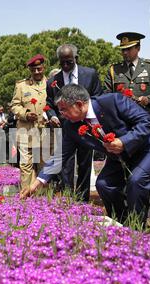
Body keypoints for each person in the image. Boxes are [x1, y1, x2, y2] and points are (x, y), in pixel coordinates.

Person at [21, 84, 150, 227]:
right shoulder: (71, 126)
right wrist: (39, 181)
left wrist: (123, 141)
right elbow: (61, 154)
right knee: (104, 184)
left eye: (64, 110)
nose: (61, 114)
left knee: (136, 181)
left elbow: (147, 123)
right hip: (122, 155)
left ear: (80, 105)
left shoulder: (113, 101)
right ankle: (121, 223)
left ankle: (137, 227)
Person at [46, 44, 103, 202]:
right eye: (62, 63)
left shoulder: (90, 74)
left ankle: (83, 199)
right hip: (66, 129)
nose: (65, 66)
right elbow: (49, 104)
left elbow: (98, 97)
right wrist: (52, 115)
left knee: (85, 164)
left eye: (69, 62)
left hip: (87, 128)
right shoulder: (53, 81)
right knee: (66, 165)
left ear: (76, 59)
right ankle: (68, 199)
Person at [11, 54, 49, 190]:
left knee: (44, 164)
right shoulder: (22, 86)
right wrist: (26, 114)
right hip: (26, 131)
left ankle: (43, 197)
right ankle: (26, 195)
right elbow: (14, 105)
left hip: (45, 131)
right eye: (33, 70)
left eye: (39, 69)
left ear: (44, 67)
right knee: (26, 164)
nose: (37, 72)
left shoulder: (50, 84)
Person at [105, 32, 150, 115]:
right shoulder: (113, 70)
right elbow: (106, 95)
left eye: (129, 49)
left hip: (144, 118)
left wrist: (148, 99)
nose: (125, 52)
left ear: (138, 48)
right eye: (123, 49)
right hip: (122, 120)